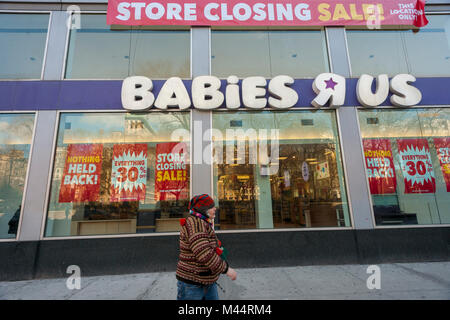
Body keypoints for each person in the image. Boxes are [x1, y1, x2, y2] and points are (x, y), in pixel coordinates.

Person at [176, 194, 237, 300]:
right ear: (204, 210)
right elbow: (204, 253)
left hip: (205, 281)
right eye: (212, 207)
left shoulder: (202, 222)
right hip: (193, 284)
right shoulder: (196, 225)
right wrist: (226, 269)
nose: (215, 209)